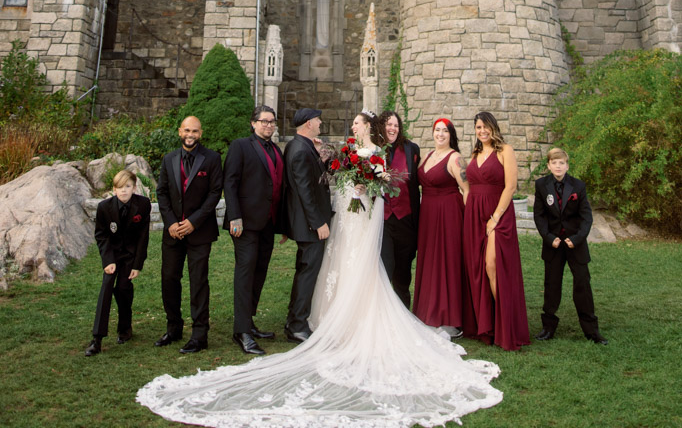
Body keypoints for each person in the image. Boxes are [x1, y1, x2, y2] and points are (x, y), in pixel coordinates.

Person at [137, 110, 503, 427]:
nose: (352, 126)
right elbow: (318, 180)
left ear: (366, 128)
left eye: (357, 123)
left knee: (349, 267)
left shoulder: (374, 154)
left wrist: (362, 185)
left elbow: (371, 190)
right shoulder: (338, 151)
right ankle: (310, 319)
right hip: (338, 221)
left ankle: (335, 319)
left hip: (356, 219)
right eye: (353, 123)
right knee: (329, 268)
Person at [155, 115, 223, 354]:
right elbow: (161, 193)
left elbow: (215, 193)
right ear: (179, 132)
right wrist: (171, 223)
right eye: (186, 130)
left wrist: (193, 222)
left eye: (195, 131)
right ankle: (173, 328)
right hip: (173, 233)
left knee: (198, 282)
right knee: (169, 279)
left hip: (199, 232)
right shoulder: (169, 159)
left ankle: (199, 334)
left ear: (200, 133)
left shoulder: (212, 159)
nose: (190, 134)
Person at [463, 111, 530, 351]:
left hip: (497, 215)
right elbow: (467, 187)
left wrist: (495, 218)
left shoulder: (505, 151)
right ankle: (487, 325)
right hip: (474, 215)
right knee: (478, 268)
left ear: (493, 127)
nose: (482, 131)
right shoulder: (475, 153)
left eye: (485, 127)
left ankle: (506, 327)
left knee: (493, 266)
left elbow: (511, 186)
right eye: (478, 127)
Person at [223, 105, 285, 356]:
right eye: (264, 121)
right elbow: (230, 181)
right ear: (253, 123)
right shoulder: (241, 146)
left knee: (259, 273)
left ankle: (249, 321)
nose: (269, 125)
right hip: (245, 223)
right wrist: (235, 216)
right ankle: (241, 331)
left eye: (272, 122)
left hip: (267, 223)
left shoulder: (276, 150)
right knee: (245, 273)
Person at [533, 147, 608, 344]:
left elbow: (586, 217)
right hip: (554, 245)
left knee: (582, 284)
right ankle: (548, 327)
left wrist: (576, 239)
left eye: (562, 163)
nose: (558, 166)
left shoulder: (578, 186)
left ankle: (591, 330)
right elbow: (539, 216)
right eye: (554, 163)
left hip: (575, 244)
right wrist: (549, 238)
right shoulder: (541, 185)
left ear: (567, 165)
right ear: (548, 165)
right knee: (551, 285)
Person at [412, 117, 469, 337]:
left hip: (449, 215)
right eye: (437, 130)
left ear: (451, 134)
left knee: (447, 261)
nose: (440, 134)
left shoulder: (455, 159)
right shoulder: (427, 156)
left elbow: (467, 191)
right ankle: (427, 313)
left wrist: (467, 222)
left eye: (445, 131)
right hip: (428, 215)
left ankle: (449, 318)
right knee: (430, 261)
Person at [85, 169, 151, 355]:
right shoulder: (104, 207)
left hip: (130, 257)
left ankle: (125, 329)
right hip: (112, 256)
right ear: (114, 189)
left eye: (128, 187)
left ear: (134, 187)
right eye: (120, 188)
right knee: (107, 288)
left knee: (123, 288)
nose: (124, 191)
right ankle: (97, 339)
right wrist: (108, 261)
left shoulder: (143, 204)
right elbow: (101, 236)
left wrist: (137, 265)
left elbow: (143, 238)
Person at [283, 107, 333, 343]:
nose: (320, 122)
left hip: (306, 223)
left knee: (305, 272)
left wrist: (320, 156)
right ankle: (297, 325)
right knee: (307, 274)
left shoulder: (301, 146)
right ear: (307, 124)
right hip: (310, 225)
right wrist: (318, 223)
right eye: (317, 120)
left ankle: (294, 319)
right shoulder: (301, 151)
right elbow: (305, 191)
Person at [378, 110, 420, 308]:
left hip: (406, 220)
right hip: (383, 221)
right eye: (388, 125)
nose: (392, 128)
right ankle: (384, 315)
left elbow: (416, 185)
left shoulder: (412, 150)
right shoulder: (374, 150)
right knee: (385, 270)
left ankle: (404, 313)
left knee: (403, 274)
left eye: (395, 125)